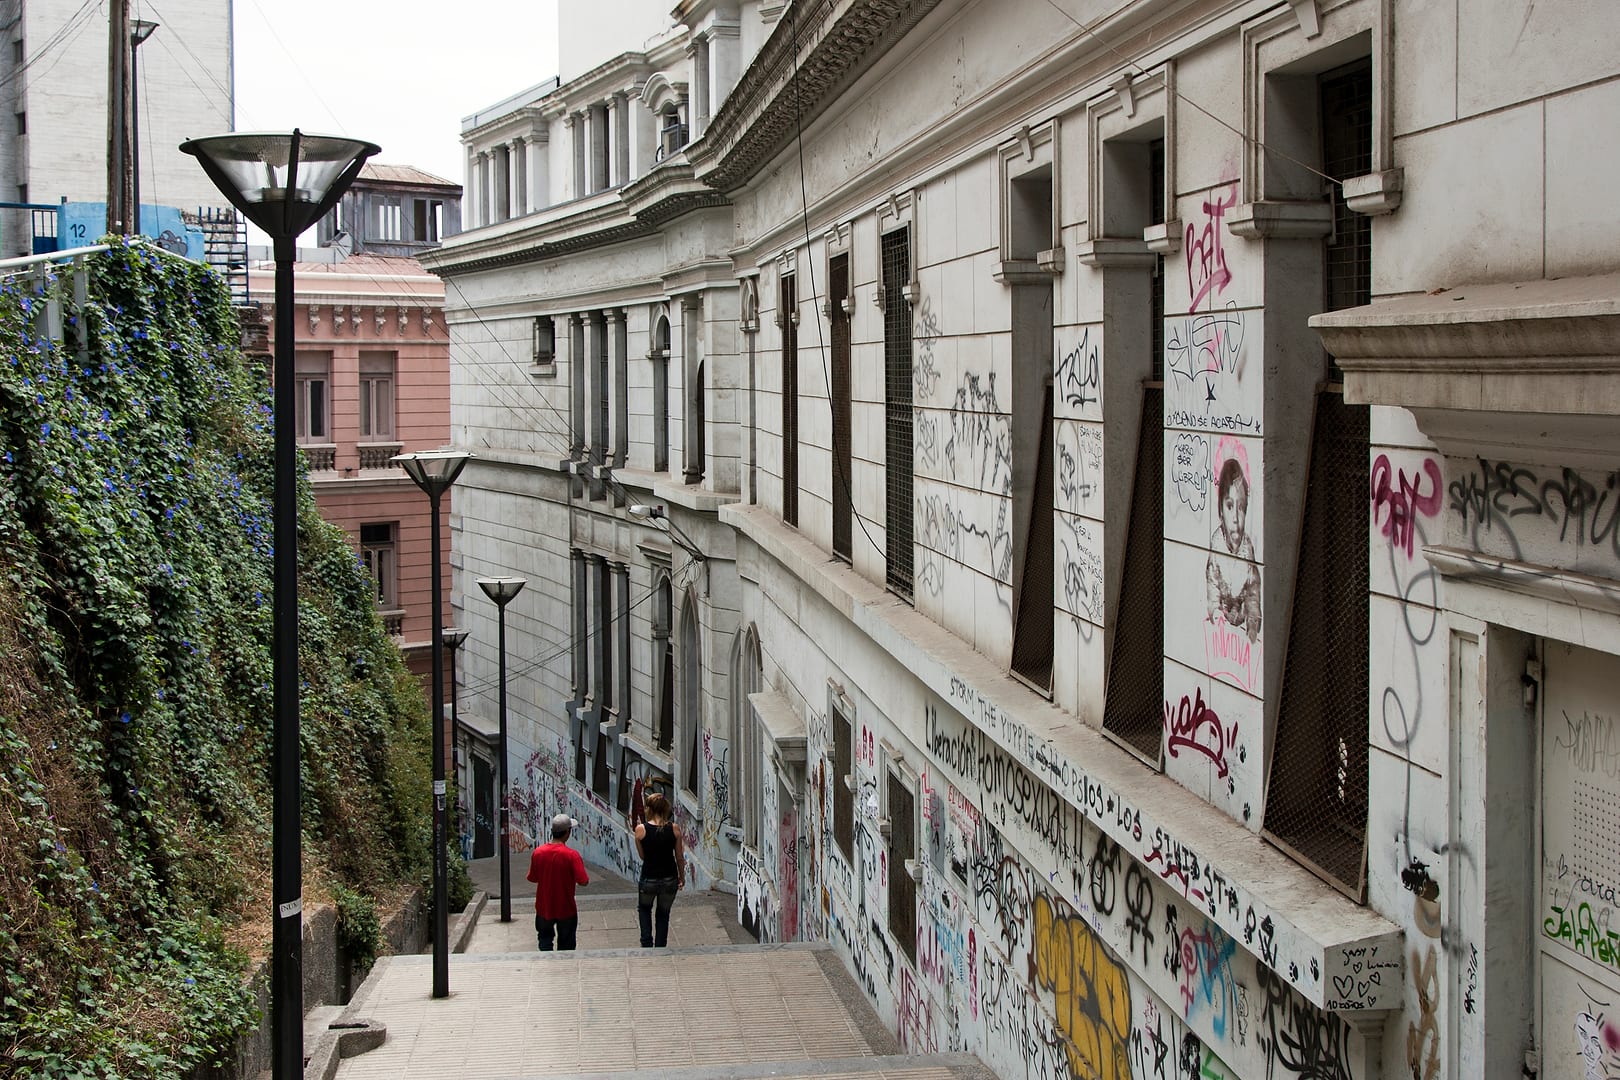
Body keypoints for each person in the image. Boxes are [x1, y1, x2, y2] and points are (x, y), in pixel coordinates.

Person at [1206, 457, 1261, 642]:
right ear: (1221, 511)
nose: (1236, 518)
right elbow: (1212, 581)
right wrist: (1215, 611)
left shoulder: (1247, 548)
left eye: (1241, 508)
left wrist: (1253, 621)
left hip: (1241, 626)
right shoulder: (1217, 542)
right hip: (1222, 625)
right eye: (1230, 506)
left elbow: (1253, 589)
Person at [527, 813, 588, 951]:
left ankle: (546, 965)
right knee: (567, 944)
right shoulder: (572, 855)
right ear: (567, 832)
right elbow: (584, 881)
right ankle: (563, 968)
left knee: (544, 940)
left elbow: (533, 877)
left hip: (544, 907)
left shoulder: (538, 852)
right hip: (566, 908)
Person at [633, 792, 684, 948]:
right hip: (669, 878)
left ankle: (646, 944)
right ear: (665, 809)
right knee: (663, 914)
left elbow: (642, 856)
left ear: (649, 809)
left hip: (649, 878)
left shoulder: (641, 830)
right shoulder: (674, 829)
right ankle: (661, 946)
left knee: (644, 909)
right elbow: (679, 857)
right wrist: (681, 877)